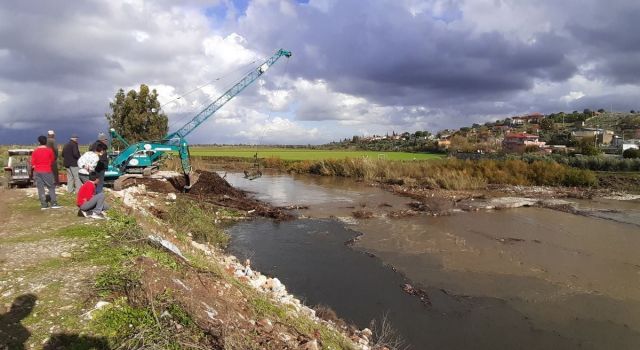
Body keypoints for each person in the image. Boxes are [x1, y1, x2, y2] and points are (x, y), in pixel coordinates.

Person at [32, 135, 61, 209]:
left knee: (40, 188)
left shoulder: (35, 151)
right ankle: (54, 203)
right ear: (46, 142)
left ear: (39, 142)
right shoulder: (49, 150)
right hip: (47, 170)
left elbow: (33, 162)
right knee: (51, 187)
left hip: (37, 171)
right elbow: (52, 160)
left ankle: (44, 204)